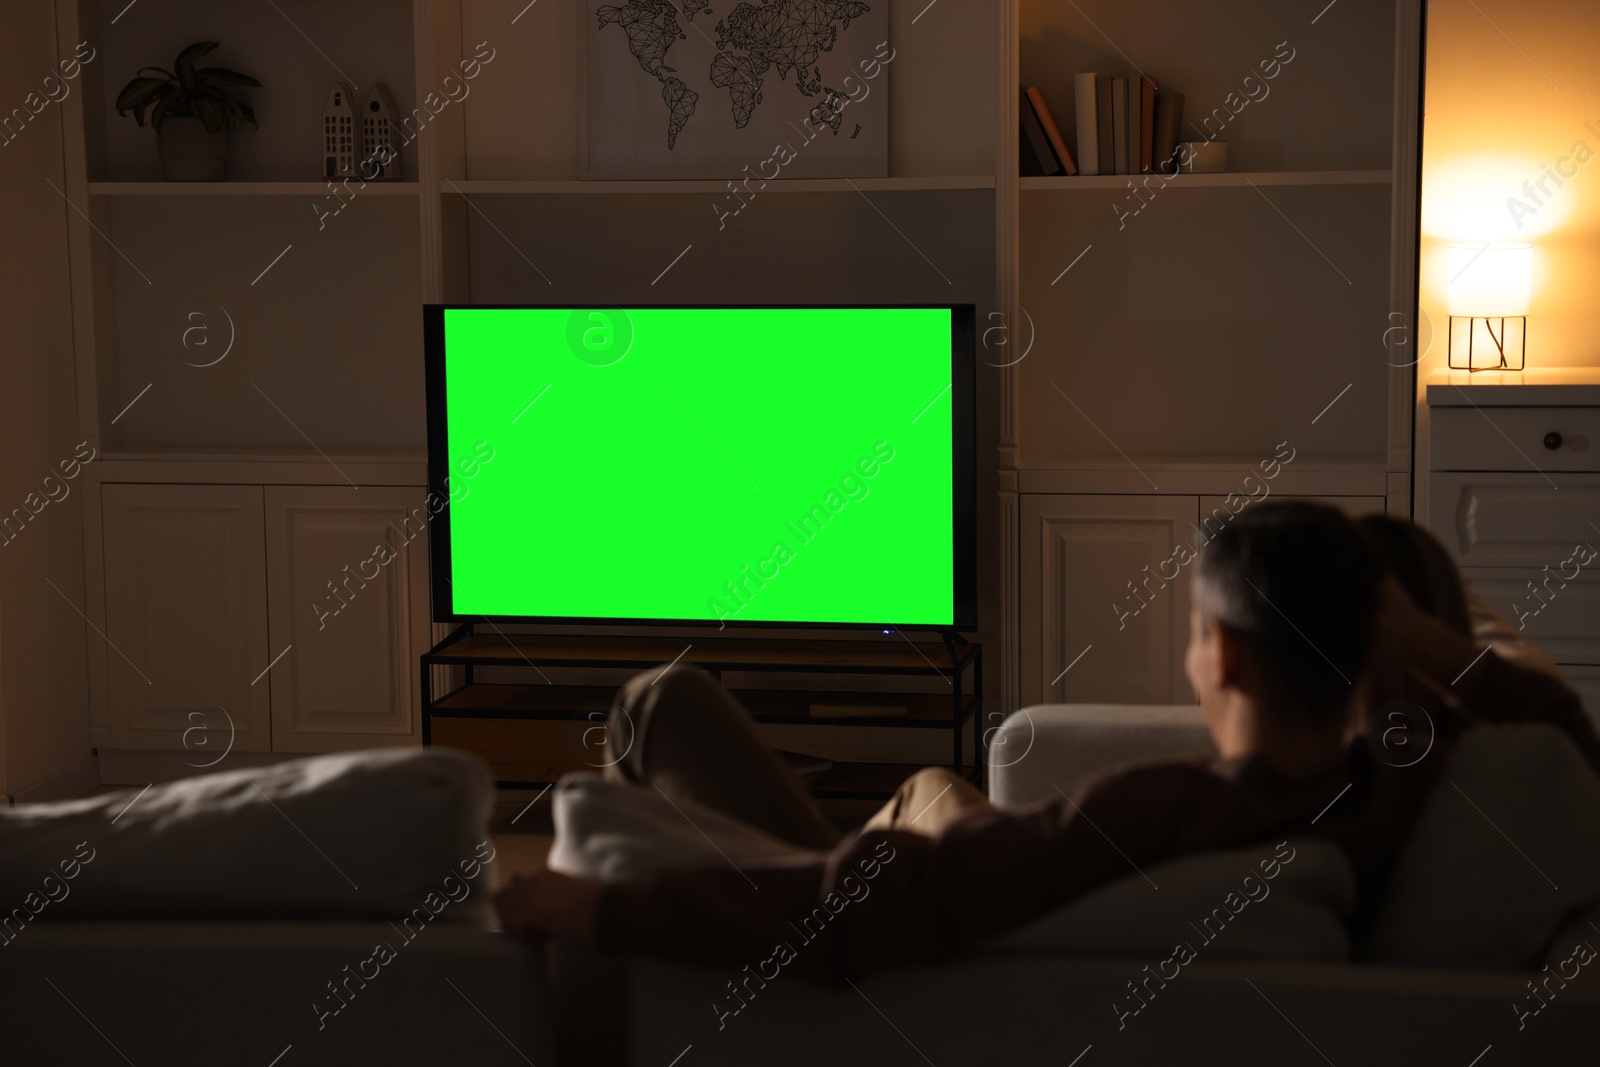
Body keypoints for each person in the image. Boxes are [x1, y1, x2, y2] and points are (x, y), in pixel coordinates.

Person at [496, 503, 1599, 977]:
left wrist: (604, 905)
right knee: (924, 777)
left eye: (1192, 635)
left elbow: (861, 910)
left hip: (847, 928)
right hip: (923, 885)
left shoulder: (1165, 811)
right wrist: (1425, 646)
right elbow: (1565, 733)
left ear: (1223, 656)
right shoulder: (1394, 781)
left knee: (660, 705)